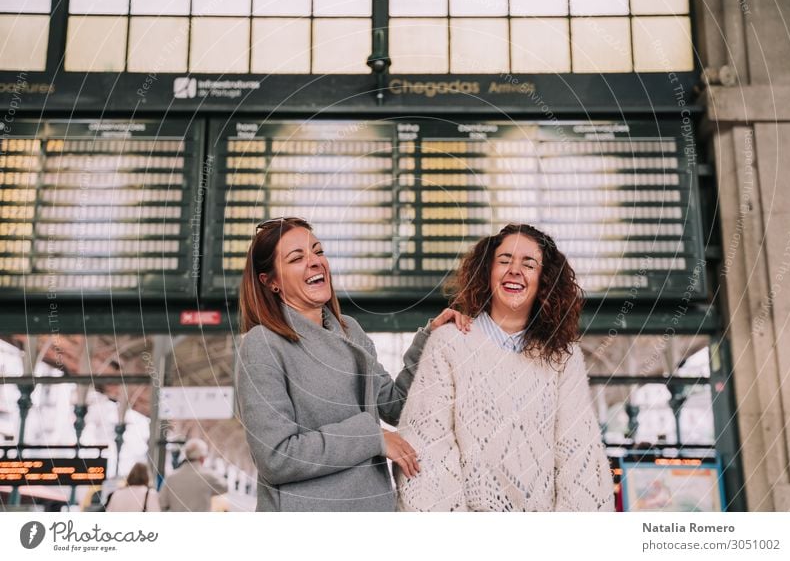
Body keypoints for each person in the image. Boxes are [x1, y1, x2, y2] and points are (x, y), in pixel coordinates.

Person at [235, 217, 470, 511]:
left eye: (318, 252)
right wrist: (370, 436)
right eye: (297, 258)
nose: (315, 262)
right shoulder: (262, 345)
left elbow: (395, 406)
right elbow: (276, 457)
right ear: (270, 282)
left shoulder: (350, 331)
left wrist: (429, 340)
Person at [396, 223, 614, 511]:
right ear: (487, 273)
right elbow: (428, 451)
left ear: (544, 281)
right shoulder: (448, 343)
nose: (515, 270)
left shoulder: (563, 357)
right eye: (504, 261)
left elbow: (578, 457)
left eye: (529, 264)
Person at [158, 438, 227, 512]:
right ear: (202, 458)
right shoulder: (208, 477)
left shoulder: (171, 478)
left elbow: (162, 504)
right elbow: (224, 487)